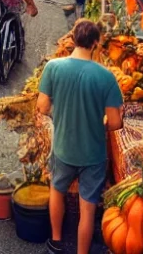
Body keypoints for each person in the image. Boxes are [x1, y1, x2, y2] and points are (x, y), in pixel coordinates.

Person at [37, 19, 123, 254]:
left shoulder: (53, 68)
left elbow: (42, 107)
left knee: (57, 189)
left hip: (63, 148)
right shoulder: (106, 77)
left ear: (73, 39)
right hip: (93, 154)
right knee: (87, 208)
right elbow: (115, 123)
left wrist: (61, 112)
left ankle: (55, 240)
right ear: (95, 44)